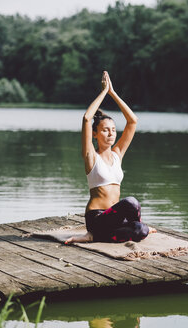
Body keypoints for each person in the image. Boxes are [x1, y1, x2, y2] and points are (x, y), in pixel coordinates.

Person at [65, 71, 156, 244]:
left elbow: (133, 121)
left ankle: (95, 237)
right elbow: (86, 118)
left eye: (113, 130)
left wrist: (113, 93)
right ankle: (93, 233)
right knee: (131, 202)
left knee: (141, 230)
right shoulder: (91, 156)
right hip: (98, 218)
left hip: (116, 221)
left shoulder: (117, 154)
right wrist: (103, 92)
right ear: (95, 134)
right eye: (105, 130)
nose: (111, 133)